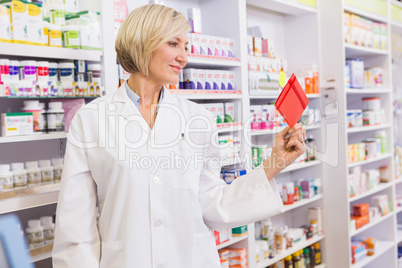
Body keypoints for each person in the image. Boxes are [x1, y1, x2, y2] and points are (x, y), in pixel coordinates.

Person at [52, 4, 306, 268]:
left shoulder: (199, 120)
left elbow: (212, 204)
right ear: (141, 42)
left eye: (186, 46)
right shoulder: (91, 120)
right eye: (174, 43)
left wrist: (274, 164)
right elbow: (75, 227)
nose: (184, 57)